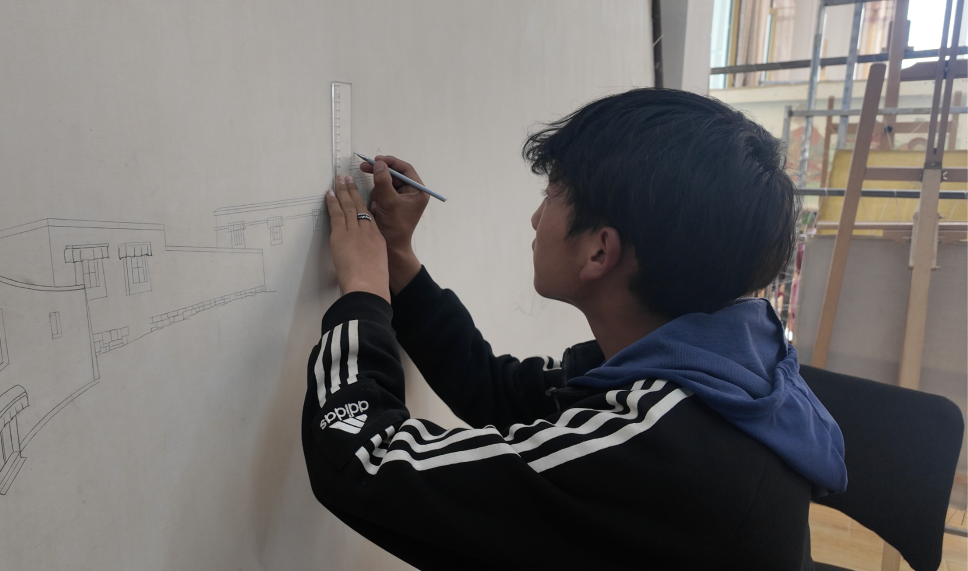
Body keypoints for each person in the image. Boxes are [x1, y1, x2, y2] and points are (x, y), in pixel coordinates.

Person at [301, 88, 846, 571]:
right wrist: (396, 259)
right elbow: (500, 393)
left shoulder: (655, 452)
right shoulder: (717, 364)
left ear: (599, 251)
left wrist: (363, 293)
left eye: (551, 196)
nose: (536, 219)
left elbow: (363, 461)